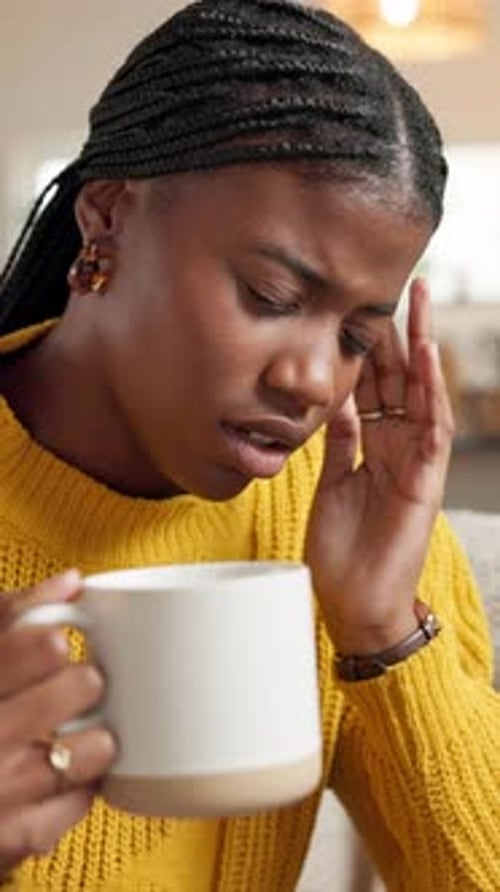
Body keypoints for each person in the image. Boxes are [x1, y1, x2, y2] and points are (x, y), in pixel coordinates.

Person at [0, 0, 498, 889]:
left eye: (355, 338)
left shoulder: (340, 509)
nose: (313, 381)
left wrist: (380, 627)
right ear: (108, 219)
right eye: (271, 296)